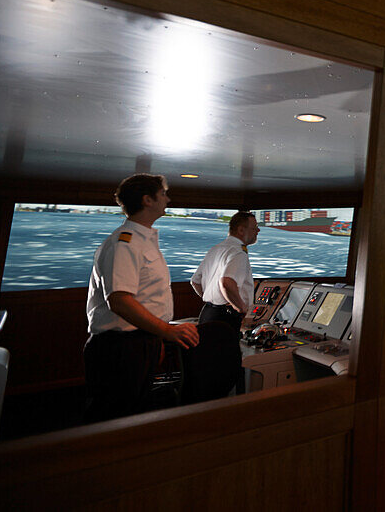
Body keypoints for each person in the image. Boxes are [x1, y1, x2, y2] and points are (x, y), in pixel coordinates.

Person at [83, 174, 237, 422]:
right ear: (147, 200)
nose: (168, 198)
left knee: (133, 411)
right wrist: (166, 330)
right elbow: (119, 300)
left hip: (140, 341)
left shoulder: (143, 242)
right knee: (112, 416)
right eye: (163, 194)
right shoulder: (126, 243)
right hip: (120, 346)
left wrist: (156, 338)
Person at [191, 211, 260, 333]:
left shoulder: (216, 249)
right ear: (241, 230)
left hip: (208, 313)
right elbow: (226, 282)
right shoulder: (238, 253)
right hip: (225, 318)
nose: (258, 230)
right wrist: (241, 308)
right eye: (254, 228)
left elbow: (195, 281)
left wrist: (213, 301)